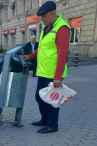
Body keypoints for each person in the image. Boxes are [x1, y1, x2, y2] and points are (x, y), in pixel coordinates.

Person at [24, 1, 70, 134]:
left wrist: (58, 77)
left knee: (53, 101)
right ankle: (44, 119)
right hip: (43, 71)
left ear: (52, 13)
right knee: (40, 97)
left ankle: (52, 125)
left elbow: (62, 55)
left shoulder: (62, 29)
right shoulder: (47, 27)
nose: (42, 19)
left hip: (53, 73)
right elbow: (42, 48)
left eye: (44, 16)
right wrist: (31, 56)